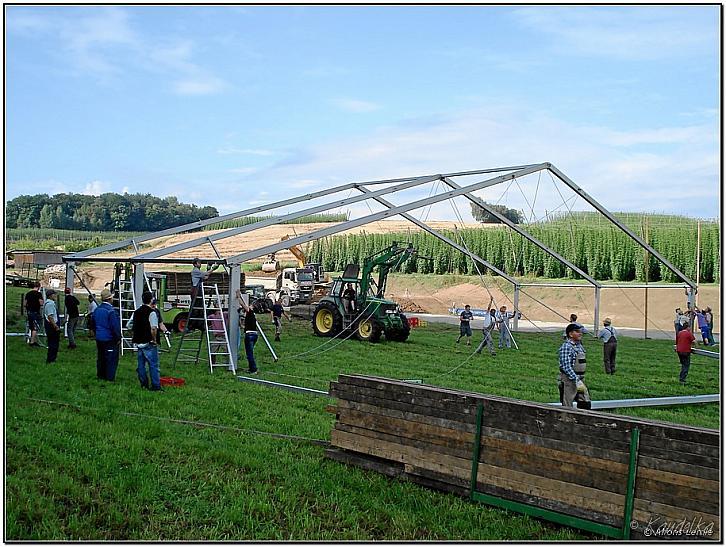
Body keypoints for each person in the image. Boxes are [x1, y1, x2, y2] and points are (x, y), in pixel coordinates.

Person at [129, 291, 162, 391]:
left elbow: (129, 325)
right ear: (152, 300)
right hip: (149, 342)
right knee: (153, 365)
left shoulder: (136, 312)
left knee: (141, 365)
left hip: (139, 343)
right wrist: (154, 340)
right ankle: (156, 386)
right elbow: (153, 328)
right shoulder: (152, 313)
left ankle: (144, 384)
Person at [558, 323, 591, 409]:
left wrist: (580, 380)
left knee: (585, 400)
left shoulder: (579, 346)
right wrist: (575, 379)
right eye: (577, 332)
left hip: (580, 379)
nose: (580, 333)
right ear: (570, 334)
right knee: (568, 403)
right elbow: (565, 366)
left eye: (581, 332)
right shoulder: (566, 347)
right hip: (569, 380)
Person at [92, 288, 122, 381]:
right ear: (110, 299)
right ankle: (109, 377)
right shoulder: (111, 311)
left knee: (101, 357)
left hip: (99, 338)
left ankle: (100, 375)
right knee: (111, 359)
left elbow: (92, 323)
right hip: (109, 339)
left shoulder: (97, 310)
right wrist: (118, 338)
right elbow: (115, 327)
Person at [237, 289, 259, 374]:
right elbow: (243, 326)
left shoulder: (250, 312)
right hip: (254, 335)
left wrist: (238, 297)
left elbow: (243, 305)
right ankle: (251, 368)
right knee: (250, 353)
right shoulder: (251, 317)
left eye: (250, 305)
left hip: (249, 336)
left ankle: (254, 369)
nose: (249, 306)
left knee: (249, 354)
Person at [42, 289, 61, 364]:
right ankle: (51, 359)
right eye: (54, 294)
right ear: (51, 295)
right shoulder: (50, 304)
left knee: (53, 343)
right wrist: (55, 326)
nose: (55, 296)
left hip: (51, 325)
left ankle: (52, 358)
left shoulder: (50, 303)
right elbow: (50, 316)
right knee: (53, 343)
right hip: (52, 326)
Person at [675, 319, 696, 384]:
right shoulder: (689, 333)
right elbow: (694, 341)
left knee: (683, 364)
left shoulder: (679, 333)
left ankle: (681, 378)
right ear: (688, 327)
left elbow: (677, 342)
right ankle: (682, 379)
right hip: (686, 351)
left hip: (679, 351)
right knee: (686, 365)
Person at [24, 281, 44, 347]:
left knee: (32, 326)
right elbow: (41, 303)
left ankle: (34, 341)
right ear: (38, 287)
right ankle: (32, 342)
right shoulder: (38, 294)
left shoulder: (28, 293)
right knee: (35, 327)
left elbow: (25, 303)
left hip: (29, 312)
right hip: (35, 312)